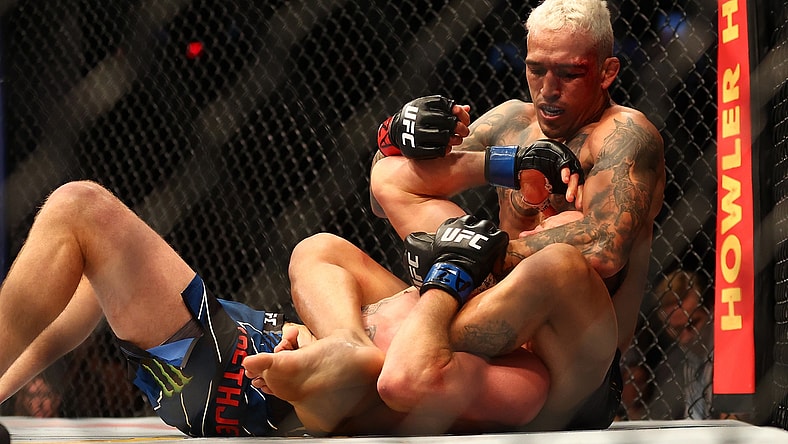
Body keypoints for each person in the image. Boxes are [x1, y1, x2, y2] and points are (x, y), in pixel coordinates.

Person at [246, 0, 665, 434]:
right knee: (320, 250)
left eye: (569, 73)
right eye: (536, 69)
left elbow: (605, 248)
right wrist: (396, 138)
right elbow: (384, 193)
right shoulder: (511, 122)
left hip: (568, 362)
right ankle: (350, 347)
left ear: (607, 72)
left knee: (559, 259)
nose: (548, 88)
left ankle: (381, 338)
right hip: (475, 300)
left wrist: (479, 254)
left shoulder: (625, 135)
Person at [0, 180, 301, 437]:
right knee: (103, 271)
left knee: (78, 205)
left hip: (237, 366)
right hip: (237, 356)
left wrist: (321, 347)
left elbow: (311, 264)